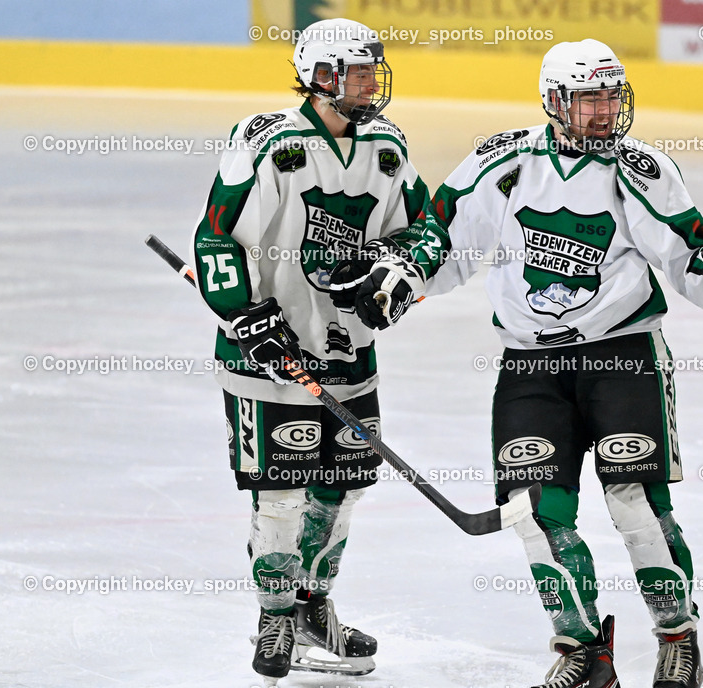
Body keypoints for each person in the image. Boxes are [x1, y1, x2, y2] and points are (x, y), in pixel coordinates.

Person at [350, 39, 703, 688]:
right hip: (530, 369)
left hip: (623, 354)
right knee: (535, 511)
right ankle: (582, 649)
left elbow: (695, 261)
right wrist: (402, 273)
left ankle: (676, 636)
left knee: (636, 504)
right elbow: (443, 237)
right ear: (553, 102)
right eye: (588, 99)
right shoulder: (503, 162)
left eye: (612, 96)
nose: (604, 113)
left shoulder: (641, 168)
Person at [188, 17, 428, 683]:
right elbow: (213, 240)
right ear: (322, 76)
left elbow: (422, 229)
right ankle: (274, 617)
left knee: (342, 488)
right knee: (282, 495)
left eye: (373, 69)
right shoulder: (265, 141)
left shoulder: (387, 146)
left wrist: (396, 276)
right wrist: (248, 318)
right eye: (357, 70)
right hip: (267, 356)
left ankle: (314, 605)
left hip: (349, 352)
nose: (371, 82)